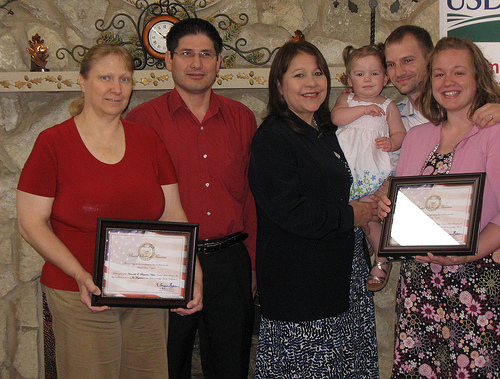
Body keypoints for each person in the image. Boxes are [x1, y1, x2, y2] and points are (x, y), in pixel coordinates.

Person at [16, 44, 202, 378]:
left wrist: (192, 273)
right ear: (83, 82)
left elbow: (172, 213)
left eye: (125, 79)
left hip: (145, 293)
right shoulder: (53, 143)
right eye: (105, 78)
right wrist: (79, 274)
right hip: (80, 294)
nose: (116, 88)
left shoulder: (149, 141)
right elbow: (31, 224)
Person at [126, 18, 257, 379]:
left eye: (205, 54)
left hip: (230, 261)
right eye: (186, 54)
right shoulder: (141, 122)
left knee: (230, 366)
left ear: (219, 62)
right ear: (169, 60)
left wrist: (254, 262)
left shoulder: (243, 119)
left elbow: (251, 198)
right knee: (165, 365)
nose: (196, 64)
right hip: (166, 260)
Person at [249, 38, 379, 378]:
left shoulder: (326, 131)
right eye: (299, 75)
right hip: (301, 288)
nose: (311, 83)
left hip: (340, 277)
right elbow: (291, 212)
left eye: (318, 73)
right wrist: (353, 215)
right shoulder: (273, 138)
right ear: (279, 85)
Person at [378, 36, 500, 378]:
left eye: (459, 72)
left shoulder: (495, 134)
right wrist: (389, 208)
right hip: (419, 286)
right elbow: (403, 203)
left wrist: (470, 253)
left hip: (474, 285)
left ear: (479, 77)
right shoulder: (417, 137)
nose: (449, 83)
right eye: (440, 74)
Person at [331, 44, 406, 292]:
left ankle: (382, 259)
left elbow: (400, 134)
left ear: (385, 78)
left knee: (369, 215)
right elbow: (337, 118)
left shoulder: (388, 105)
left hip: (373, 170)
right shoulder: (347, 99)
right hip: (348, 172)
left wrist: (392, 141)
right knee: (360, 217)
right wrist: (362, 109)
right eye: (360, 74)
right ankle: (380, 249)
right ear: (349, 79)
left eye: (374, 73)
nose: (368, 79)